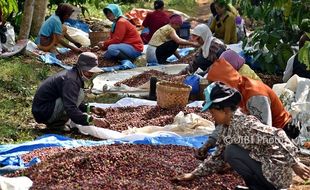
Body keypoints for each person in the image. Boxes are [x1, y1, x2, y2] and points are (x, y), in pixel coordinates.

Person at [173, 82, 310, 190]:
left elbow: (277, 134)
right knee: (227, 152)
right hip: (267, 171)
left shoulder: (244, 124)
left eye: (213, 111)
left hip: (275, 175)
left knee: (231, 151)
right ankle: (258, 186)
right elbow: (217, 157)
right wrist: (193, 175)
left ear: (225, 110)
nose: (211, 115)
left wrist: (294, 163)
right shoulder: (226, 128)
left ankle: (264, 187)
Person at [195, 58, 300, 160]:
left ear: (225, 83)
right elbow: (225, 122)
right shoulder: (233, 92)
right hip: (254, 129)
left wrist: (235, 156)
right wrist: (209, 143)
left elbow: (264, 132)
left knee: (231, 151)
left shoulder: (255, 95)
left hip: (279, 134)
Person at [32, 52, 109, 131]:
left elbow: (71, 99)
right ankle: (56, 124)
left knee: (78, 94)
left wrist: (90, 109)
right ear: (80, 67)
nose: (91, 74)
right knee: (80, 94)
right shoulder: (71, 80)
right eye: (88, 71)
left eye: (92, 71)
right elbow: (70, 107)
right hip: (44, 113)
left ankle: (57, 122)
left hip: (44, 109)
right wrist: (92, 120)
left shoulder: (73, 75)